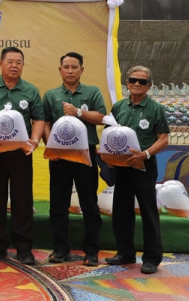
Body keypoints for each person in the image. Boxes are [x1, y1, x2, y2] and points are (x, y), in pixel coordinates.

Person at [0, 46, 44, 265]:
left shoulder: (30, 90)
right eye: (10, 61)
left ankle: (23, 248)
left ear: (23, 65)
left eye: (18, 62)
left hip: (21, 152)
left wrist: (35, 140)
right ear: (1, 64)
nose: (14, 66)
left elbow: (38, 119)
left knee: (23, 199)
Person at [42, 52, 106, 266]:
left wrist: (78, 112)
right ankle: (60, 250)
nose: (70, 71)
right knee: (58, 205)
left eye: (74, 67)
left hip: (85, 154)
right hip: (59, 156)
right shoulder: (51, 95)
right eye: (66, 67)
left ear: (81, 70)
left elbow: (101, 117)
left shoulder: (92, 92)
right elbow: (45, 123)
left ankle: (92, 251)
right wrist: (51, 147)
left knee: (89, 204)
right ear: (60, 70)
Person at [105, 65, 170, 274]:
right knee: (121, 211)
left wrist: (146, 153)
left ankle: (151, 259)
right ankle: (125, 253)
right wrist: (106, 153)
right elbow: (109, 132)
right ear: (127, 83)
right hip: (122, 165)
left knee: (148, 212)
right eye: (133, 80)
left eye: (142, 81)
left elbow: (164, 138)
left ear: (149, 85)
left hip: (144, 165)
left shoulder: (155, 109)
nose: (136, 84)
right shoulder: (118, 107)